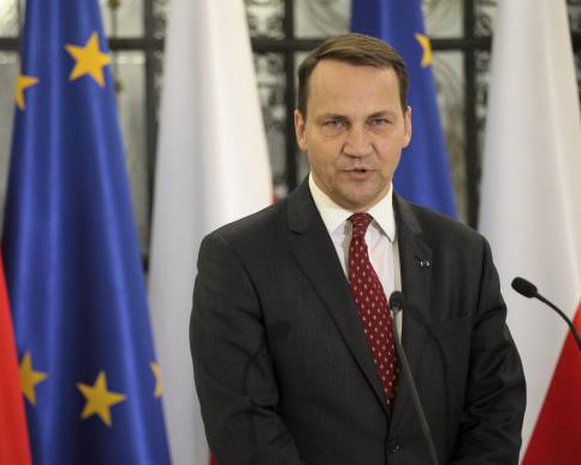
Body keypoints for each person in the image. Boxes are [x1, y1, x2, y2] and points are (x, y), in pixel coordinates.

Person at [190, 33, 525, 465]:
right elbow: (243, 427)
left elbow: (496, 408)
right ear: (300, 128)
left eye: (378, 122)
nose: (358, 146)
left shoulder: (463, 253)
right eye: (335, 123)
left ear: (406, 125)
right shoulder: (237, 258)